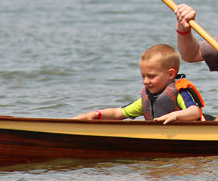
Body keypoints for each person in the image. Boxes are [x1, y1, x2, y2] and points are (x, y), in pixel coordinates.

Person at [73, 44, 205, 124]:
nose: (146, 81)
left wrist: (174, 115)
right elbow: (118, 113)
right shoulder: (148, 98)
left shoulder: (179, 92)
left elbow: (194, 112)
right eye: (143, 76)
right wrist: (94, 115)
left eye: (152, 76)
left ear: (170, 74)